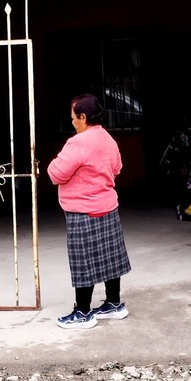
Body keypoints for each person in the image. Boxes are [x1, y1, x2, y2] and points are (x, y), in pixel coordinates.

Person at [46, 93, 131, 329]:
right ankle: (114, 304)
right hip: (107, 206)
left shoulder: (78, 143)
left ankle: (83, 312)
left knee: (83, 261)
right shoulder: (107, 138)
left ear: (82, 117)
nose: (72, 121)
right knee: (110, 257)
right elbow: (117, 168)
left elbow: (56, 174)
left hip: (82, 210)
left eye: (73, 117)